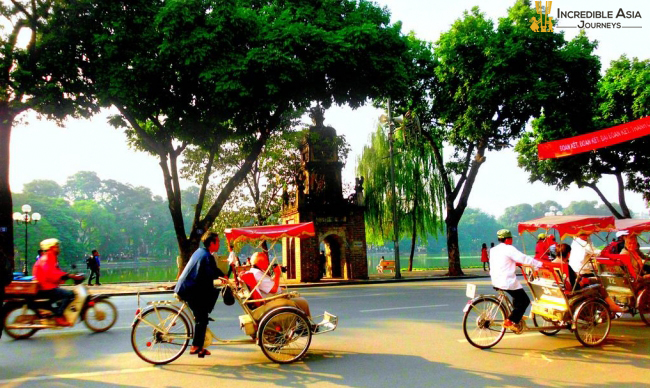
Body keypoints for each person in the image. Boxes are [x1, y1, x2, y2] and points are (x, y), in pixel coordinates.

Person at [174, 231, 225, 357]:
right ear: (212, 243)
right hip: (189, 290)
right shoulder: (206, 256)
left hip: (187, 287)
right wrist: (224, 278)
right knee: (202, 318)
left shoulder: (201, 252)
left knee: (202, 315)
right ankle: (195, 346)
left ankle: (200, 346)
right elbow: (212, 273)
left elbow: (213, 271)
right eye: (218, 241)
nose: (219, 243)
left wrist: (222, 276)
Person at [489, 229, 543, 332]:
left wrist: (515, 263)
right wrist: (539, 264)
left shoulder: (493, 250)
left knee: (516, 296)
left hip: (496, 279)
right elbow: (523, 258)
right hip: (506, 281)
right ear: (508, 239)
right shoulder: (509, 248)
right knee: (525, 301)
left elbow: (504, 261)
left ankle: (517, 315)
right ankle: (510, 320)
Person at [32, 239, 84, 326]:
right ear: (52, 248)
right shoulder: (47, 258)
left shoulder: (50, 257)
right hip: (46, 287)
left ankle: (55, 311)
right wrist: (69, 276)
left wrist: (68, 275)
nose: (59, 248)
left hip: (47, 285)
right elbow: (51, 274)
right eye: (57, 246)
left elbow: (56, 271)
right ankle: (58, 316)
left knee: (63, 294)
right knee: (69, 295)